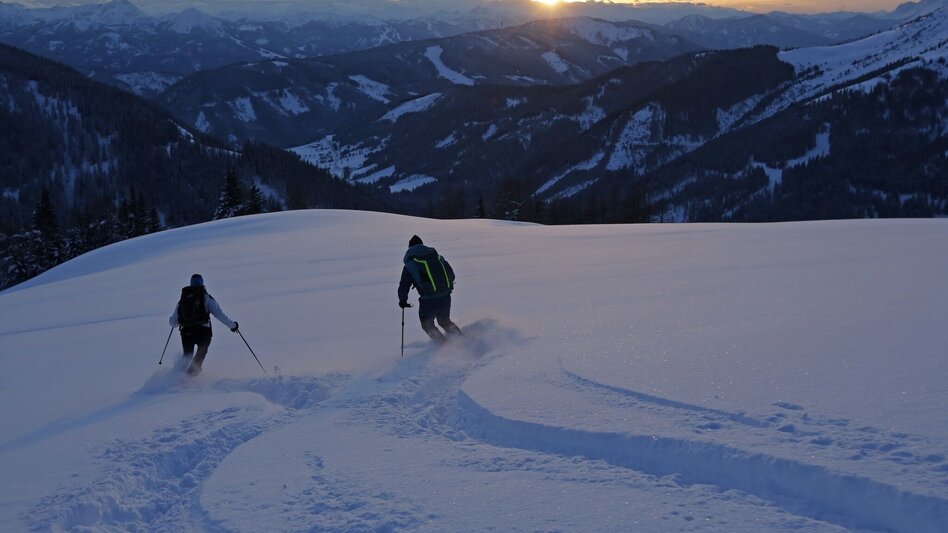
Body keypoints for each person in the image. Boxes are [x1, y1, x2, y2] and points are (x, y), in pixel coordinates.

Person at [169, 274, 238, 375]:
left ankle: (175, 376)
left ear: (191, 283)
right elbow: (219, 314)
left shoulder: (183, 300)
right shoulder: (206, 297)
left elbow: (172, 321)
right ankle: (191, 375)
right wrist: (233, 325)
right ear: (202, 283)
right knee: (202, 350)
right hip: (203, 331)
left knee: (187, 355)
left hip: (186, 332)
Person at [398, 235, 462, 343]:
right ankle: (463, 340)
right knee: (445, 321)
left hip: (428, 300)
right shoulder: (437, 257)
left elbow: (404, 285)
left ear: (410, 248)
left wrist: (402, 300)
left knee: (427, 325)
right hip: (445, 296)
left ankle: (443, 346)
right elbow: (452, 274)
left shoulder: (410, 265)